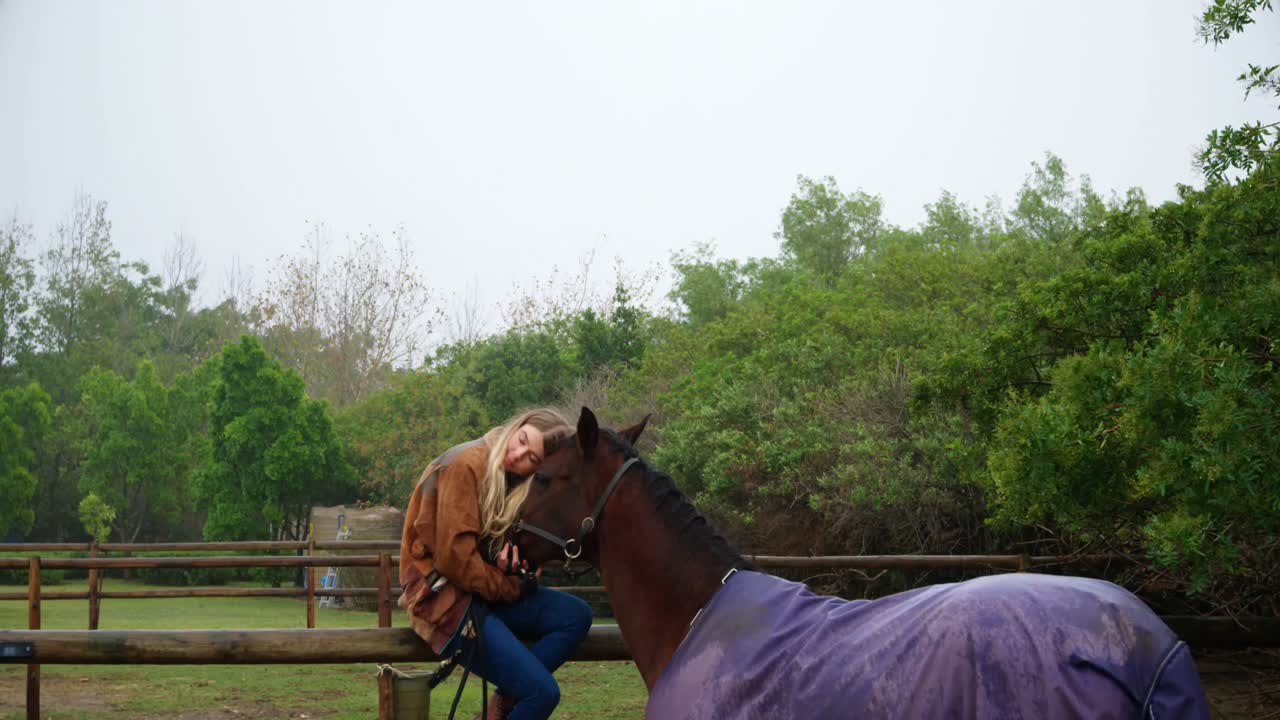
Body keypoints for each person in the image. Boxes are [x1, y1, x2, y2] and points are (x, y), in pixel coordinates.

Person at [398, 407, 591, 720]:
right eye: (522, 440)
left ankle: (501, 704)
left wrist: (515, 568)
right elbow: (456, 561)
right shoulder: (465, 465)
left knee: (576, 615)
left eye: (531, 457)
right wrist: (513, 586)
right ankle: (513, 700)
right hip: (441, 599)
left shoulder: (512, 483)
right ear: (517, 425)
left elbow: (487, 552)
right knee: (542, 693)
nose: (518, 454)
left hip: (479, 592)